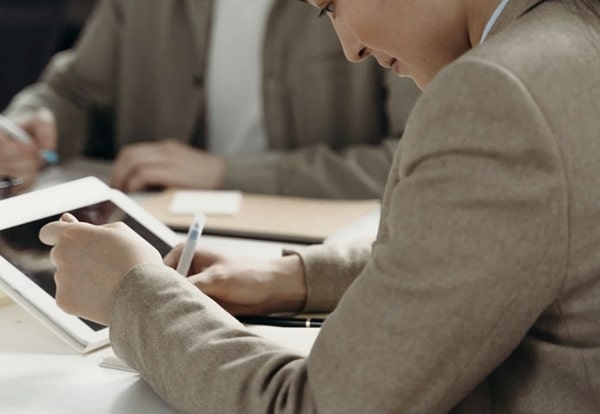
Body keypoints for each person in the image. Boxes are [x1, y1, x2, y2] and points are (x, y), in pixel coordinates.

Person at [39, 0, 600, 413]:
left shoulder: (497, 93)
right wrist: (296, 277)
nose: (349, 48)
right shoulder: (570, 36)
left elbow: (316, 407)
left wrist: (134, 294)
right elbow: (509, 245)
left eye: (333, 6)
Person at [0, 0, 419, 198]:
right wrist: (37, 122)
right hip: (152, 235)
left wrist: (225, 174)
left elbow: (411, 160)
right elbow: (73, 91)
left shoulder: (371, 7)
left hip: (304, 245)